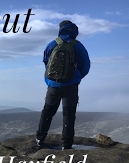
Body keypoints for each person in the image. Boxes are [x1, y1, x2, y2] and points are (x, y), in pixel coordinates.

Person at [36, 20, 90, 150]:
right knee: (69, 114)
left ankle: (40, 139)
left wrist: (51, 80)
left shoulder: (52, 44)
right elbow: (86, 66)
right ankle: (66, 144)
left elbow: (46, 63)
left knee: (48, 111)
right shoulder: (78, 46)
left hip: (53, 85)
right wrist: (76, 77)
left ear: (60, 30)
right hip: (71, 86)